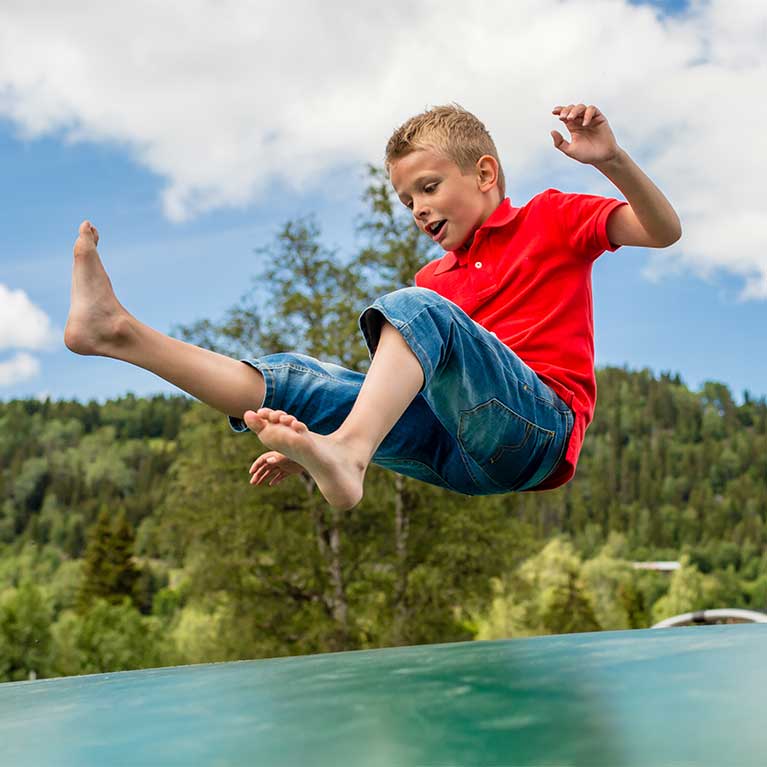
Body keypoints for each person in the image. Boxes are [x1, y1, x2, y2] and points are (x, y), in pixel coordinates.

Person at [65, 102, 681, 511]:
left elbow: (663, 231)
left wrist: (612, 161)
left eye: (429, 188)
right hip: (457, 455)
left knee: (418, 311)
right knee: (293, 381)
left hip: (537, 429)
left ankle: (347, 453)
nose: (418, 208)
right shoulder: (435, 279)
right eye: (406, 198)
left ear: (485, 173)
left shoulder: (552, 217)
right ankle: (118, 334)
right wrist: (313, 437)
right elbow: (406, 394)